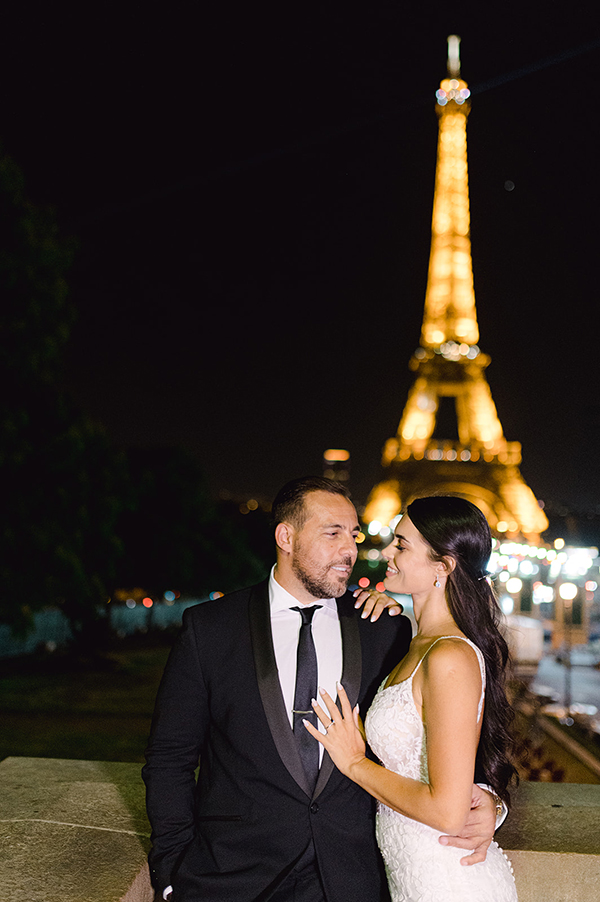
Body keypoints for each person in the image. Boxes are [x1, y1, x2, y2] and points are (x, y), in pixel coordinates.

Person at [143, 478, 498, 902]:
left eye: (354, 534)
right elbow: (170, 756)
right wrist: (171, 869)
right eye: (333, 534)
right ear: (286, 536)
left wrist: (491, 803)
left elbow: (453, 735)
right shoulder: (210, 629)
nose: (351, 550)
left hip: (350, 880)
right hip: (232, 879)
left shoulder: (385, 631)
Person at [306, 495, 518, 901]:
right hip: (417, 877)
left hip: (450, 882)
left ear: (442, 567)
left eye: (401, 545)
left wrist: (353, 762)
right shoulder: (417, 643)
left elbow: (447, 811)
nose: (387, 551)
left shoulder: (449, 656)